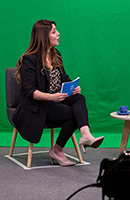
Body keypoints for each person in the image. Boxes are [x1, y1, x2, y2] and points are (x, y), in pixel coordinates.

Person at [13, 20, 104, 166]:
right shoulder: (29, 60)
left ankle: (85, 134)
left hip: (57, 100)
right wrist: (52, 97)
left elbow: (63, 78)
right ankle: (57, 150)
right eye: (54, 31)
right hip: (37, 106)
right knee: (75, 115)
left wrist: (72, 88)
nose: (58, 34)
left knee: (79, 98)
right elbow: (30, 91)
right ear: (44, 36)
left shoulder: (56, 55)